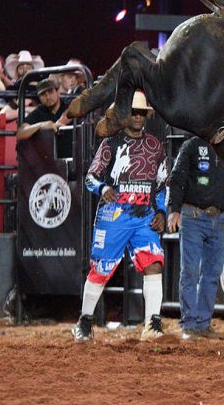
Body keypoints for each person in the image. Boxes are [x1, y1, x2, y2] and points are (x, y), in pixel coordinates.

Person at [72, 92, 168, 342]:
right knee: (101, 269)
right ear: (126, 114)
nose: (137, 116)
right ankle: (85, 320)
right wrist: (103, 188)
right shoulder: (111, 143)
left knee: (154, 262)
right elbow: (91, 176)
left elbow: (162, 185)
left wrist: (161, 211)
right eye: (133, 111)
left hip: (144, 215)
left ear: (146, 115)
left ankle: (153, 323)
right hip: (113, 216)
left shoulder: (156, 146)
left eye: (141, 112)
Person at [166, 135, 224, 340]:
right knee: (190, 272)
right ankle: (189, 324)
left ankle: (202, 324)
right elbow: (177, 177)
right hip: (193, 216)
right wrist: (174, 209)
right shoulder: (192, 146)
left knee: (212, 272)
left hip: (217, 219)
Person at [16, 78, 74, 158]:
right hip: (48, 161)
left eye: (50, 92)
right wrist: (41, 125)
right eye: (43, 94)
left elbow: (77, 109)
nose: (47, 97)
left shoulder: (68, 105)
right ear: (39, 97)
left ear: (58, 92)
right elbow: (20, 133)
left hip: (72, 158)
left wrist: (59, 122)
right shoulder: (39, 111)